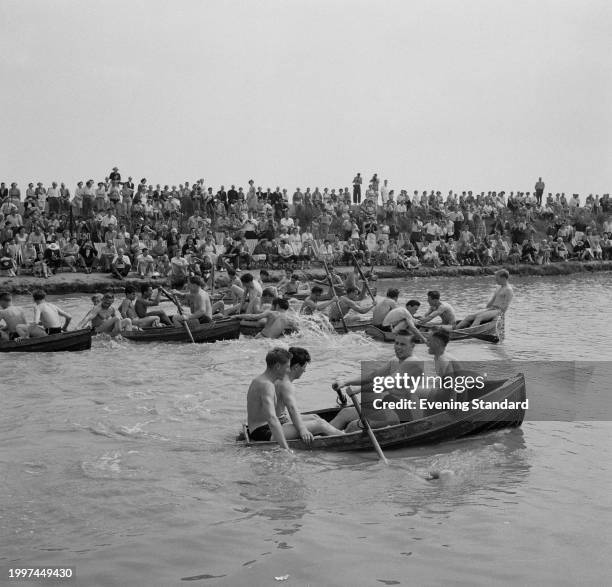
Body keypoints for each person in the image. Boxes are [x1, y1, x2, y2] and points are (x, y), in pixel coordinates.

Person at [329, 330, 425, 430]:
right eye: (396, 343)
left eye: (403, 344)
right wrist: (345, 381)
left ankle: (330, 439)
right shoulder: (395, 360)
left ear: (412, 346)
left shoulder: (413, 363)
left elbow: (387, 384)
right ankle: (322, 438)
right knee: (345, 413)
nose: (398, 347)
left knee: (353, 426)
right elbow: (372, 376)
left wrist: (359, 389)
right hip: (390, 404)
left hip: (406, 412)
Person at [246, 347, 341, 447]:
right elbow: (272, 418)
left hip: (259, 428)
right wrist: (286, 448)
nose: (288, 370)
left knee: (316, 419)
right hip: (263, 432)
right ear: (278, 366)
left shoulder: (259, 380)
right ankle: (345, 436)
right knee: (320, 424)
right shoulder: (267, 385)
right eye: (287, 367)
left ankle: (334, 434)